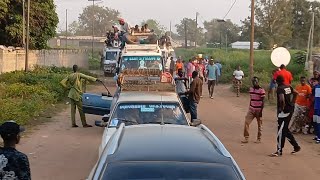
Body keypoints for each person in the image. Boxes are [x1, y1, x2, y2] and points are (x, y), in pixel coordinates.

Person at [270, 75, 301, 157]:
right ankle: (296, 146)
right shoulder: (288, 86)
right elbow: (296, 93)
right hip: (290, 109)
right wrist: (292, 103)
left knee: (280, 131)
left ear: (277, 81)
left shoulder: (280, 88)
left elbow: (282, 99)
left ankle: (279, 151)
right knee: (285, 129)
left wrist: (282, 109)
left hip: (284, 112)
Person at [241, 77, 265, 144]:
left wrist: (261, 111)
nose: (255, 83)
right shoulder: (251, 89)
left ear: (258, 82)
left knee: (259, 125)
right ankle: (246, 137)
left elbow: (263, 101)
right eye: (254, 81)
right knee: (246, 122)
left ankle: (259, 138)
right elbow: (251, 99)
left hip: (258, 110)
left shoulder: (261, 90)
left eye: (256, 81)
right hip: (251, 109)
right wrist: (250, 107)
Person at [313, 79, 320, 143]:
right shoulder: (317, 87)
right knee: (315, 121)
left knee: (318, 122)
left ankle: (319, 137)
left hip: (319, 108)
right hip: (316, 107)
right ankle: (317, 135)